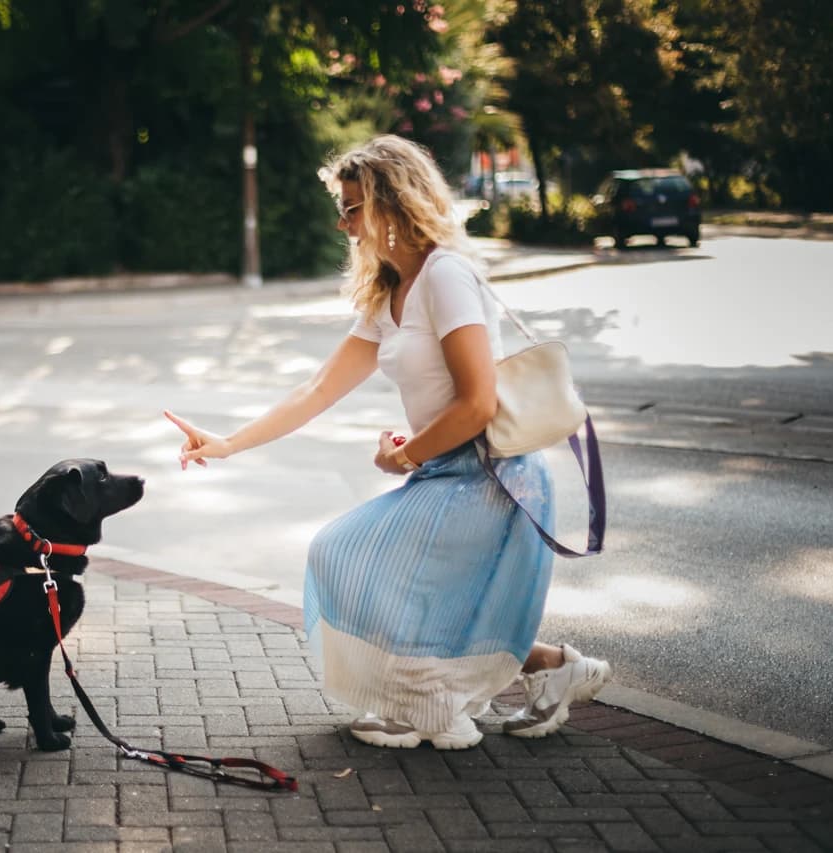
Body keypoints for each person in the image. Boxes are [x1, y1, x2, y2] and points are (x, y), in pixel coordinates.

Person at [164, 135, 610, 749]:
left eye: (352, 207)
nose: (342, 221)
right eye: (341, 207)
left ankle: (430, 710)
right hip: (448, 468)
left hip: (492, 475)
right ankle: (553, 669)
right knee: (432, 598)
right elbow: (319, 387)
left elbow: (478, 402)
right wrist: (229, 443)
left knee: (352, 557)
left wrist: (406, 453)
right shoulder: (391, 288)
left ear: (391, 205)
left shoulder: (445, 277)